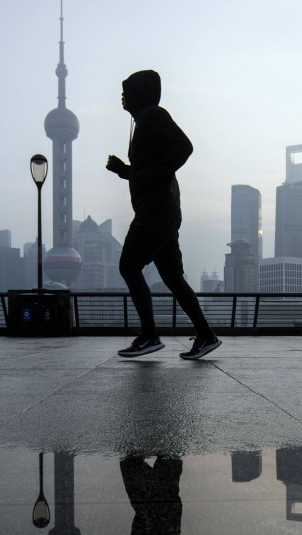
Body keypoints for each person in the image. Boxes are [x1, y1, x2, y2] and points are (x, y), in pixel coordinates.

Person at [106, 69, 221, 360]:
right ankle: (205, 335)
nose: (122, 95)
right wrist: (126, 172)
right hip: (163, 210)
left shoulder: (153, 115)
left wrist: (143, 174)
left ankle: (149, 335)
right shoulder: (143, 121)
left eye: (127, 89)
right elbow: (146, 172)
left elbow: (184, 147)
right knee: (171, 276)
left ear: (140, 93)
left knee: (129, 266)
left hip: (156, 211)